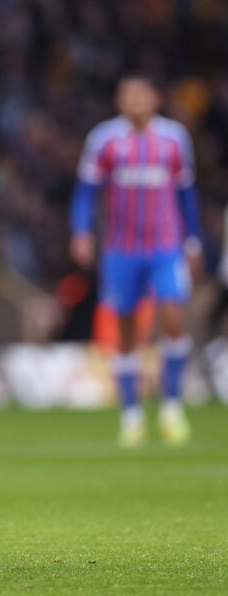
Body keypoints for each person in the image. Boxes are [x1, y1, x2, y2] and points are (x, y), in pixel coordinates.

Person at [70, 74, 202, 447]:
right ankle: (131, 416)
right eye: (127, 94)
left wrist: (193, 241)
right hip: (121, 249)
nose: (135, 100)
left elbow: (187, 193)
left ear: (156, 99)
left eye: (141, 94)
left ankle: (172, 410)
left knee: (173, 316)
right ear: (119, 101)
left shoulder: (174, 139)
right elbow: (85, 192)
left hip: (166, 246)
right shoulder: (104, 139)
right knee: (126, 329)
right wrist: (81, 231)